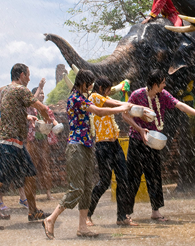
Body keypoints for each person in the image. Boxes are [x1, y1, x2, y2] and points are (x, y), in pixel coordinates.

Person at [42, 70, 133, 240]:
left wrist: (122, 106)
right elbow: (98, 111)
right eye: (89, 84)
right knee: (76, 189)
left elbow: (101, 107)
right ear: (83, 83)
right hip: (76, 147)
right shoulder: (76, 99)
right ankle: (50, 218)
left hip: (87, 146)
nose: (91, 87)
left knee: (86, 189)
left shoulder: (81, 97)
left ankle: (82, 226)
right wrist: (123, 108)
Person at [122, 69, 195, 222]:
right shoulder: (137, 95)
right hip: (137, 140)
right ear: (154, 84)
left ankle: (155, 211)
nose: (165, 85)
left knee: (154, 176)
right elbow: (124, 114)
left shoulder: (163, 95)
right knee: (133, 177)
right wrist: (139, 130)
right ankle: (125, 213)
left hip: (153, 142)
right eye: (163, 83)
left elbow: (181, 105)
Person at [0, 63, 52, 231]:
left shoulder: (7, 91)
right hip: (11, 144)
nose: (29, 78)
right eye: (28, 75)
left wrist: (26, 117)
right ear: (21, 75)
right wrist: (50, 121)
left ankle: (33, 211)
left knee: (31, 175)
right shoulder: (20, 89)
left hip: (16, 144)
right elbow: (40, 106)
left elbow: (11, 113)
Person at [86, 76, 138, 227]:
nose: (108, 92)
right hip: (103, 146)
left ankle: (122, 216)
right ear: (101, 88)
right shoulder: (94, 97)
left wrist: (126, 104)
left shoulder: (104, 97)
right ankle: (87, 214)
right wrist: (126, 105)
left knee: (124, 179)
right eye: (107, 89)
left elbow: (113, 101)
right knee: (104, 182)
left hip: (115, 144)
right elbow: (113, 103)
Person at [25, 79, 59, 201]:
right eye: (40, 94)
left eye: (43, 93)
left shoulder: (46, 109)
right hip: (33, 141)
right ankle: (31, 195)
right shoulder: (31, 108)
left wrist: (56, 124)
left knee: (46, 166)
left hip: (43, 140)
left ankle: (48, 192)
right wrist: (39, 87)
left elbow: (52, 120)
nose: (42, 95)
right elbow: (30, 101)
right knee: (32, 167)